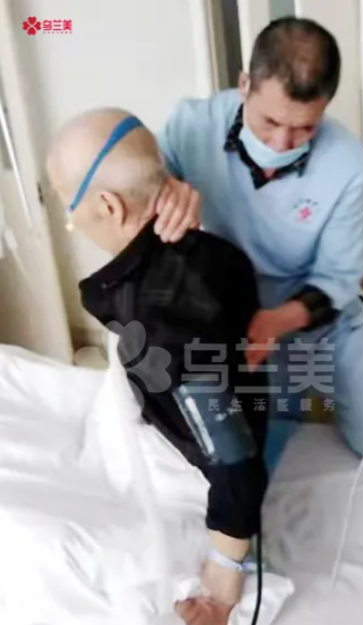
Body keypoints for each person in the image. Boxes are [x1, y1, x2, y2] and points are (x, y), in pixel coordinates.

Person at [154, 16, 363, 473]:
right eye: (270, 121)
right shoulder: (189, 126)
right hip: (233, 312)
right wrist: (164, 189)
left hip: (316, 317)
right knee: (258, 439)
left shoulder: (347, 163)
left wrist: (277, 323)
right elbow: (145, 187)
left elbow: (336, 279)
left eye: (304, 128)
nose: (281, 143)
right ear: (244, 85)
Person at [46, 108, 270, 625]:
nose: (71, 221)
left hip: (187, 471)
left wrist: (222, 580)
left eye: (67, 206)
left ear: (108, 205)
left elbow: (235, 463)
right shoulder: (217, 254)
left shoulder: (163, 322)